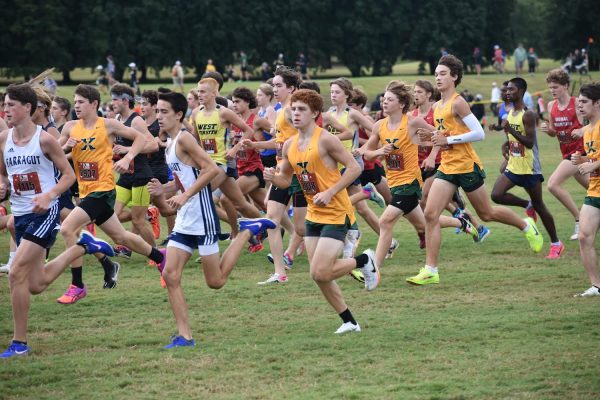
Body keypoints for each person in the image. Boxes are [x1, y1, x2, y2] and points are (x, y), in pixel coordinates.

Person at [144, 91, 276, 347]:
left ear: (178, 114)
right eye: (157, 111)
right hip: (185, 218)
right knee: (171, 275)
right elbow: (186, 179)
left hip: (202, 214)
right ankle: (185, 336)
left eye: (164, 112)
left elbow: (211, 169)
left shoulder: (184, 139)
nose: (158, 116)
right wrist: (166, 189)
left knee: (215, 282)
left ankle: (248, 229)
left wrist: (185, 196)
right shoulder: (170, 143)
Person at [408, 55, 543, 285]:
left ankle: (526, 225)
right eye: (436, 73)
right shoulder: (438, 105)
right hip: (448, 166)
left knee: (486, 214)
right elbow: (445, 134)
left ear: (455, 77)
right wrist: (432, 138)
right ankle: (431, 270)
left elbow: (479, 133)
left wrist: (447, 140)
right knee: (430, 213)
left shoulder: (458, 102)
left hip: (467, 165)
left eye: (442, 74)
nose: (437, 77)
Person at [0, 83, 110, 358]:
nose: (5, 110)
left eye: (11, 105)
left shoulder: (46, 139)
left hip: (45, 213)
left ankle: (19, 343)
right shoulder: (4, 140)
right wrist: (3, 185)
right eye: (4, 104)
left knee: (15, 274)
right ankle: (85, 246)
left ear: (28, 108)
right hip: (22, 213)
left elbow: (68, 176)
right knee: (36, 284)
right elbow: (4, 174)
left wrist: (48, 195)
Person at [264, 89, 379, 334]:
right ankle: (349, 321)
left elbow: (353, 168)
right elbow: (285, 181)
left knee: (320, 270)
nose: (295, 113)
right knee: (319, 276)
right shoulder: (289, 146)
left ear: (315, 113)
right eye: (293, 109)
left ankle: (365, 260)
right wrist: (273, 177)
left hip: (336, 211)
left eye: (301, 109)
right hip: (314, 214)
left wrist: (331, 191)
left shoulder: (326, 139)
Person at [55, 84, 162, 303]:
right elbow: (53, 155)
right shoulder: (69, 128)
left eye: (81, 102)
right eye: (75, 102)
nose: (76, 105)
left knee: (68, 228)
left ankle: (77, 285)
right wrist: (65, 147)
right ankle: (160, 257)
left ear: (94, 104)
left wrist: (127, 157)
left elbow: (142, 138)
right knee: (120, 236)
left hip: (103, 190)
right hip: (86, 191)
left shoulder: (109, 125)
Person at [490, 77, 563, 259]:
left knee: (540, 205)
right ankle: (526, 204)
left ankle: (556, 243)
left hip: (530, 168)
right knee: (496, 195)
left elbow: (530, 142)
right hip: (514, 165)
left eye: (512, 90)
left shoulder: (528, 114)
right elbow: (514, 138)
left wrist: (510, 131)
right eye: (507, 90)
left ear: (521, 91)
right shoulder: (511, 113)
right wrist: (506, 145)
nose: (508, 92)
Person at [540, 69, 587, 241]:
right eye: (550, 87)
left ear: (566, 86)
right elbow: (554, 132)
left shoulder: (577, 103)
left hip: (580, 152)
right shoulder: (551, 106)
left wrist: (581, 130)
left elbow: (593, 123)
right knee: (594, 188)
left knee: (553, 185)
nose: (552, 90)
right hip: (566, 152)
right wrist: (548, 130)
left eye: (556, 87)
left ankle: (579, 219)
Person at [110, 84, 157, 251]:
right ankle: (129, 246)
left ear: (125, 100)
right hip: (126, 174)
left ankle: (156, 253)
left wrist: (127, 150)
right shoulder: (117, 120)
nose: (112, 102)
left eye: (115, 99)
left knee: (138, 221)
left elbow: (153, 145)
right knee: (112, 215)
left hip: (141, 175)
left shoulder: (136, 120)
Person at [571, 82, 600, 297]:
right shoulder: (588, 130)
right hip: (595, 190)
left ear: (597, 103)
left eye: (584, 102)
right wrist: (582, 159)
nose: (579, 106)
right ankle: (596, 286)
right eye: (578, 102)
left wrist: (594, 164)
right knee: (584, 237)